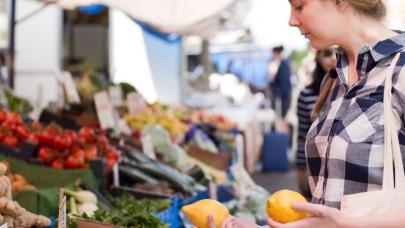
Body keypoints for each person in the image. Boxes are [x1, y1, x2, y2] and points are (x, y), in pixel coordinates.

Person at [208, 0, 405, 227]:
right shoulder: (332, 81)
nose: (292, 20)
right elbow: (328, 213)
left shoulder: (400, 69)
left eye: (299, 6)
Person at [295, 48, 336, 199]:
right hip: (315, 168)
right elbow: (303, 135)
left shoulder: (353, 90)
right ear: (318, 57)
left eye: (337, 53)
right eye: (327, 53)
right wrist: (300, 168)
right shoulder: (306, 94)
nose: (333, 58)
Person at [268, 46, 292, 126]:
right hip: (282, 93)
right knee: (282, 117)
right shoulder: (283, 63)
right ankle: (283, 135)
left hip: (281, 94)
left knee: (282, 117)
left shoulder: (281, 63)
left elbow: (280, 79)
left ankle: (282, 136)